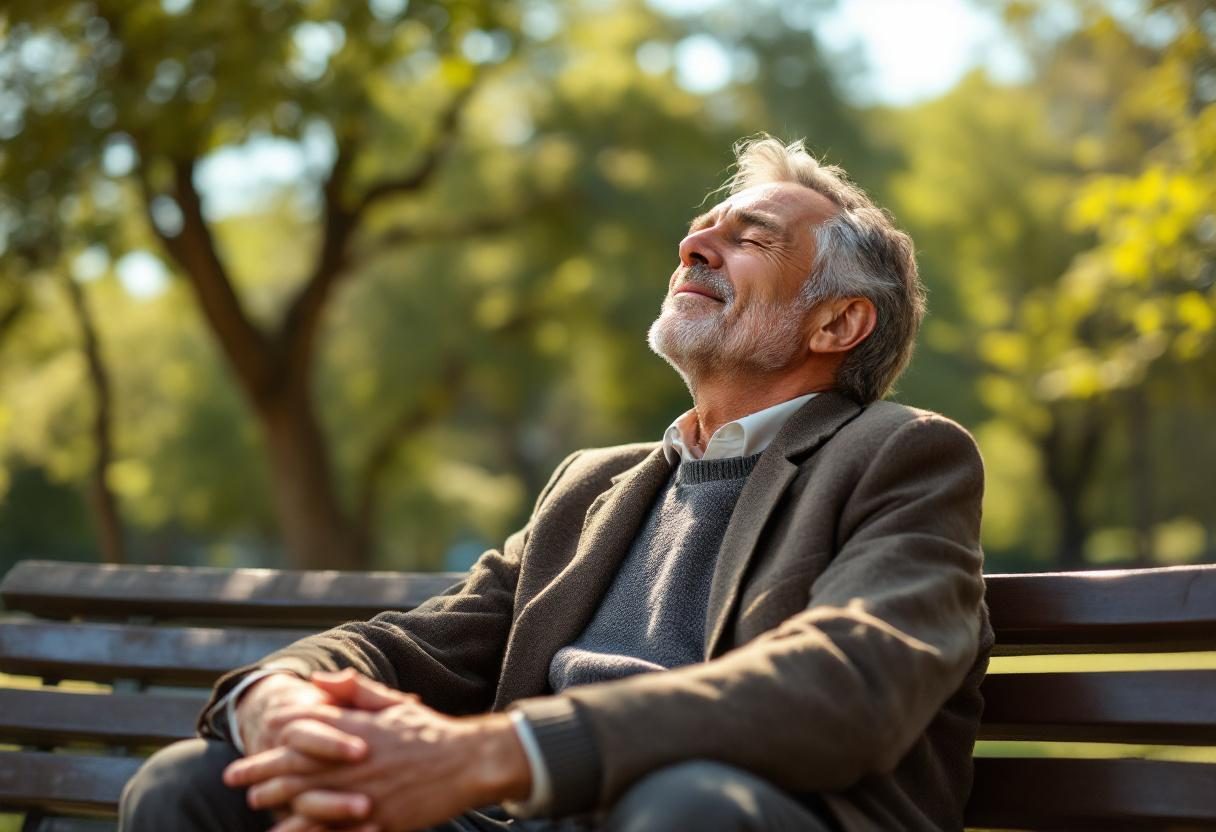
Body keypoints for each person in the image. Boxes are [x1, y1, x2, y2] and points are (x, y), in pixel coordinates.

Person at [119, 135, 991, 832]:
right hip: (516, 814)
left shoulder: (903, 456)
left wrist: (499, 753)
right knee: (200, 787)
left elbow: (849, 686)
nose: (694, 244)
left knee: (684, 811)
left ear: (838, 321)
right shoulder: (592, 485)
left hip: (720, 812)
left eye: (750, 237)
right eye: (701, 229)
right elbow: (425, 645)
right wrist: (280, 698)